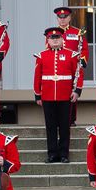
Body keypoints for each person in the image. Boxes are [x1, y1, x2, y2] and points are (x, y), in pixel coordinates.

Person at [33, 27, 83, 163]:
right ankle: (52, 154)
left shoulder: (71, 55)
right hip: (47, 96)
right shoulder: (41, 56)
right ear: (48, 40)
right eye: (52, 38)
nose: (55, 40)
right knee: (50, 126)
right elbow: (37, 77)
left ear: (62, 39)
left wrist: (77, 91)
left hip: (65, 95)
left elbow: (78, 74)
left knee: (64, 126)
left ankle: (64, 154)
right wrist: (38, 95)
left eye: (57, 38)